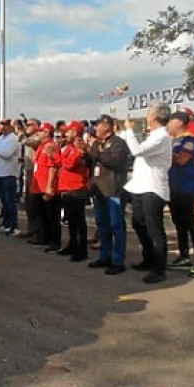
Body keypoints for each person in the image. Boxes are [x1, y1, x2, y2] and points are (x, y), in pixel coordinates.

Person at [120, 102, 173, 284]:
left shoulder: (162, 137)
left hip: (153, 188)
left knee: (154, 229)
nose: (146, 116)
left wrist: (128, 131)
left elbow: (136, 150)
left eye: (149, 113)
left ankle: (159, 268)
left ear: (155, 116)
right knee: (138, 222)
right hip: (140, 186)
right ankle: (148, 257)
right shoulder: (153, 135)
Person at [87, 114, 131, 275]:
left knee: (116, 226)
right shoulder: (97, 143)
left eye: (98, 125)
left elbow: (114, 162)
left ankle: (118, 260)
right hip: (99, 190)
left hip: (114, 191)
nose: (95, 128)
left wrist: (96, 153)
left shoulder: (118, 143)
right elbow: (91, 162)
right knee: (102, 225)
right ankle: (104, 256)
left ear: (107, 126)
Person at [167, 111, 194, 277]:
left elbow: (182, 160)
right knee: (178, 223)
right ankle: (184, 256)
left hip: (187, 187)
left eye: (171, 121)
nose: (169, 124)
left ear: (180, 122)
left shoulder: (190, 140)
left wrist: (164, 152)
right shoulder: (171, 141)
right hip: (173, 187)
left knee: (191, 223)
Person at [56, 121, 90, 261]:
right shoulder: (69, 147)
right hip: (67, 187)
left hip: (76, 188)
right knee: (71, 220)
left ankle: (81, 250)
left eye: (68, 131)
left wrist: (59, 157)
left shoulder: (79, 147)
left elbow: (69, 164)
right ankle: (72, 244)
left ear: (75, 132)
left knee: (78, 221)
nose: (66, 134)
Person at [30, 122, 61, 251]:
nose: (38, 133)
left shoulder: (50, 146)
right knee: (42, 214)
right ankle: (44, 237)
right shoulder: (41, 146)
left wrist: (49, 187)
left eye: (40, 131)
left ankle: (54, 241)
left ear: (47, 133)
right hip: (39, 186)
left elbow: (53, 167)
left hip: (46, 186)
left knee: (52, 216)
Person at [0, 119, 22, 235]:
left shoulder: (14, 139)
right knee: (4, 201)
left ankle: (14, 226)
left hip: (8, 174)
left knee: (9, 200)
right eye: (2, 125)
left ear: (11, 127)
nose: (3, 127)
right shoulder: (1, 138)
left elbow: (6, 154)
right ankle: (6, 223)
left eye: (6, 125)